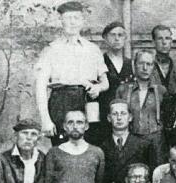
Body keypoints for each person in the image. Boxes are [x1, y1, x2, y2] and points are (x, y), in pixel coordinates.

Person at [34, 1, 108, 146]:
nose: (72, 22)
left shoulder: (92, 49)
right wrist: (45, 120)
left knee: (89, 145)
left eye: (76, 18)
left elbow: (105, 82)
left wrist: (98, 88)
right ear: (61, 21)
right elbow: (40, 86)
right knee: (62, 146)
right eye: (68, 18)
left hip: (87, 101)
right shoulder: (51, 50)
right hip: (61, 101)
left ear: (82, 21)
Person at [115, 50, 168, 164]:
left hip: (156, 141)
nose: (145, 68)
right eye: (141, 63)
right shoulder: (123, 90)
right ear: (134, 65)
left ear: (153, 67)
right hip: (131, 139)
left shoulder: (161, 91)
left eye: (149, 64)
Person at [101, 99, 155, 183]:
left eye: (123, 113)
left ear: (130, 117)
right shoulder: (102, 146)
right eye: (115, 114)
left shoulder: (144, 144)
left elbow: (150, 176)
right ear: (109, 118)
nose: (119, 118)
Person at [95, 21, 133, 146]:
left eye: (120, 35)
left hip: (125, 117)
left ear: (125, 39)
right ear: (105, 38)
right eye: (113, 35)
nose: (117, 38)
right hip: (104, 116)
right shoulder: (99, 62)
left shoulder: (131, 64)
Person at [150, 25, 176, 93]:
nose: (164, 42)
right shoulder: (148, 66)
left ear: (171, 42)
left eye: (167, 38)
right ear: (153, 42)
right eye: (160, 38)